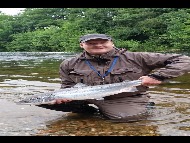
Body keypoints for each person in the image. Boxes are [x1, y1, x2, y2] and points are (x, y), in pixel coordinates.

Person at [37, 34, 190, 122]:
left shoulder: (136, 57)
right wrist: (63, 97)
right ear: (82, 45)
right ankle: (87, 112)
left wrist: (158, 76)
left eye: (103, 42)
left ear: (111, 42)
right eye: (92, 43)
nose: (98, 45)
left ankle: (144, 105)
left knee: (125, 119)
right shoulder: (69, 64)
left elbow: (184, 60)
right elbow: (67, 85)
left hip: (125, 97)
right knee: (45, 100)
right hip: (84, 96)